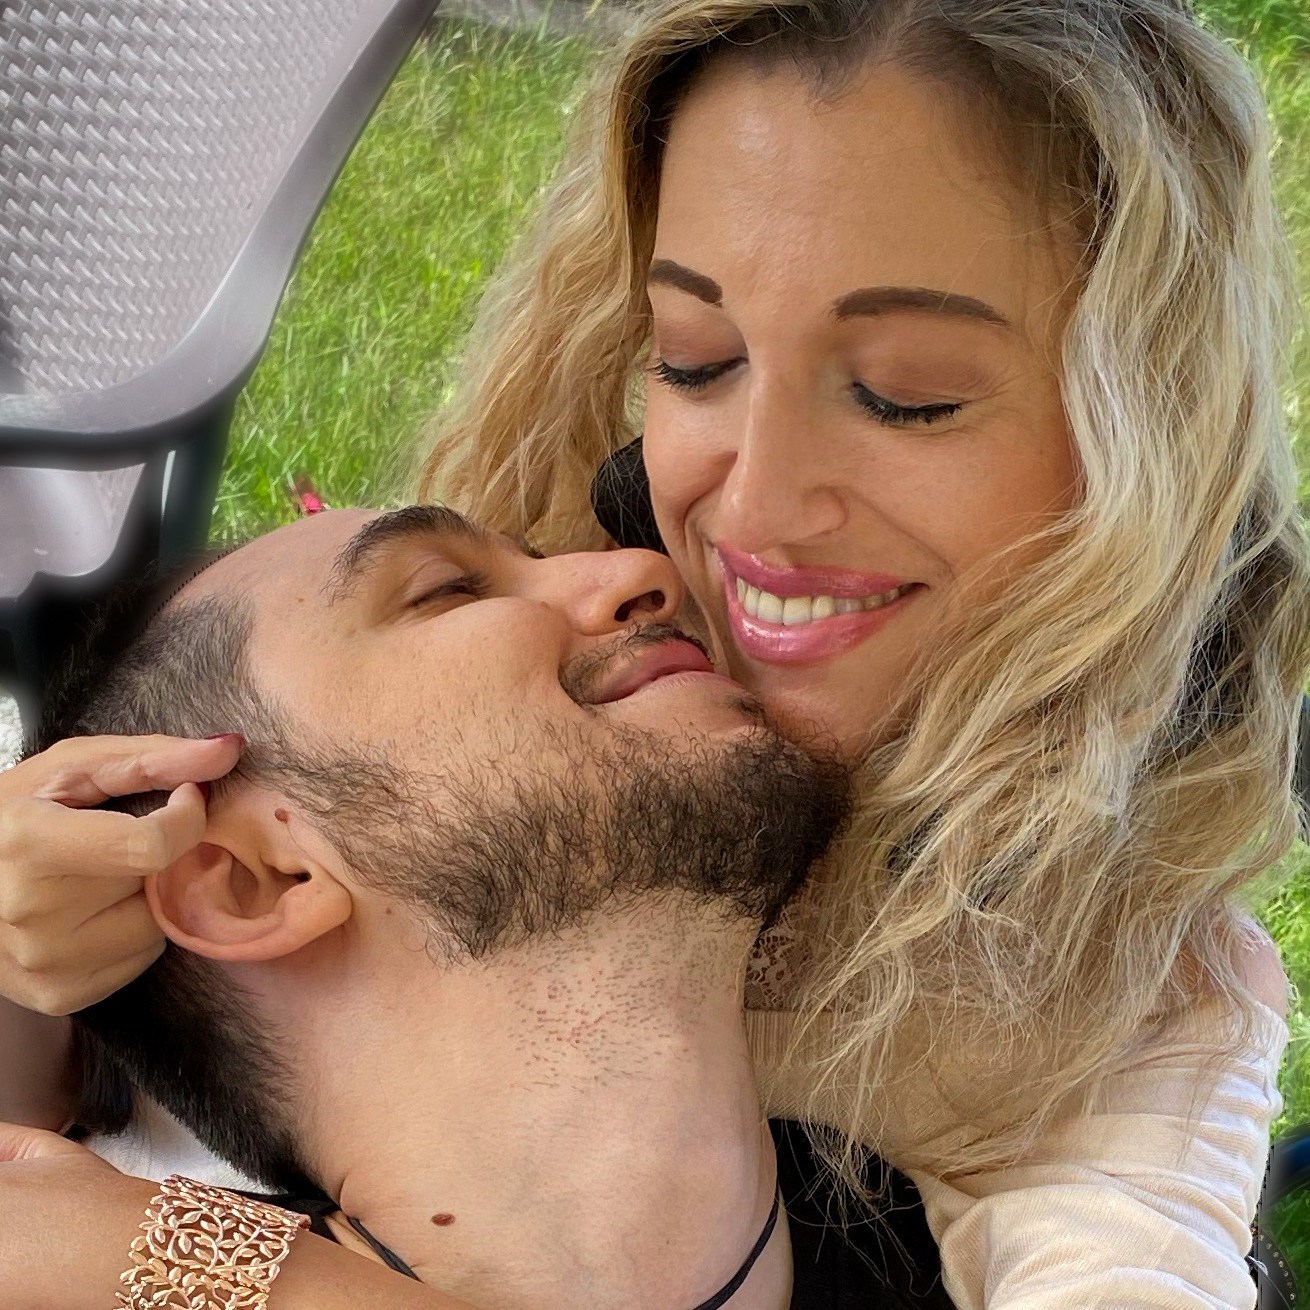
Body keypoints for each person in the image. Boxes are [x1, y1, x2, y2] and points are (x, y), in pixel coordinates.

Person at [0, 0, 1307, 1306]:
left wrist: (213, 1271)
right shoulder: (495, 755)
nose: (730, 522)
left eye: (906, 393)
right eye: (693, 359)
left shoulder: (1128, 1002)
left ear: (1139, 451)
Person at [3, 503, 863, 1308]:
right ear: (255, 882)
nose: (643, 569)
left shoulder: (944, 1213)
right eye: (447, 589)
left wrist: (206, 1268)